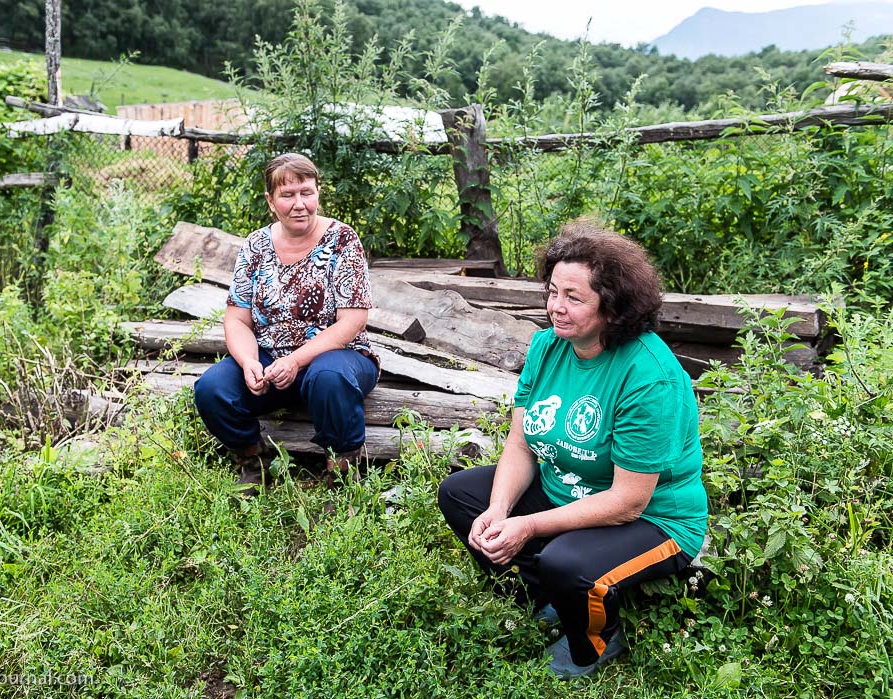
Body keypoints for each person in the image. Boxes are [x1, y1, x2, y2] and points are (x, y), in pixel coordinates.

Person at [437, 221, 708, 679]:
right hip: (567, 488)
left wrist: (528, 525)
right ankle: (545, 599)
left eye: (573, 297)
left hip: (654, 518)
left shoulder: (648, 377)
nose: (555, 307)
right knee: (461, 494)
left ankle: (597, 641)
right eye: (552, 292)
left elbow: (628, 501)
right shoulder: (548, 346)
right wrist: (500, 509)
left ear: (613, 308)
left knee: (566, 562)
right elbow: (521, 444)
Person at [194, 153, 380, 491]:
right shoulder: (255, 246)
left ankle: (341, 476)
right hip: (271, 360)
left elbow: (352, 321)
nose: (299, 204)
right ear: (270, 201)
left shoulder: (342, 240)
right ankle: (254, 464)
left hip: (338, 357)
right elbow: (237, 319)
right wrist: (249, 362)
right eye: (288, 195)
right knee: (212, 389)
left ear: (318, 193)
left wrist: (295, 360)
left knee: (329, 377)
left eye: (307, 192)